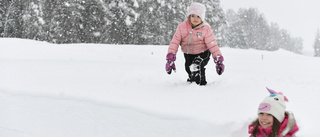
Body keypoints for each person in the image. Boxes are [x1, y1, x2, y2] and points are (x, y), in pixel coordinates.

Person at [165, 2, 224, 86]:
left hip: (203, 52)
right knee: (189, 68)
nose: (195, 19)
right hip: (188, 53)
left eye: (198, 16)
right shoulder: (182, 27)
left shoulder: (205, 28)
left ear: (202, 18)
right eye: (193, 16)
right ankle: (192, 82)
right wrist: (170, 57)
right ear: (189, 16)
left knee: (197, 65)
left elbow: (212, 44)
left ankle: (201, 84)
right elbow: (175, 41)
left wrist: (218, 59)